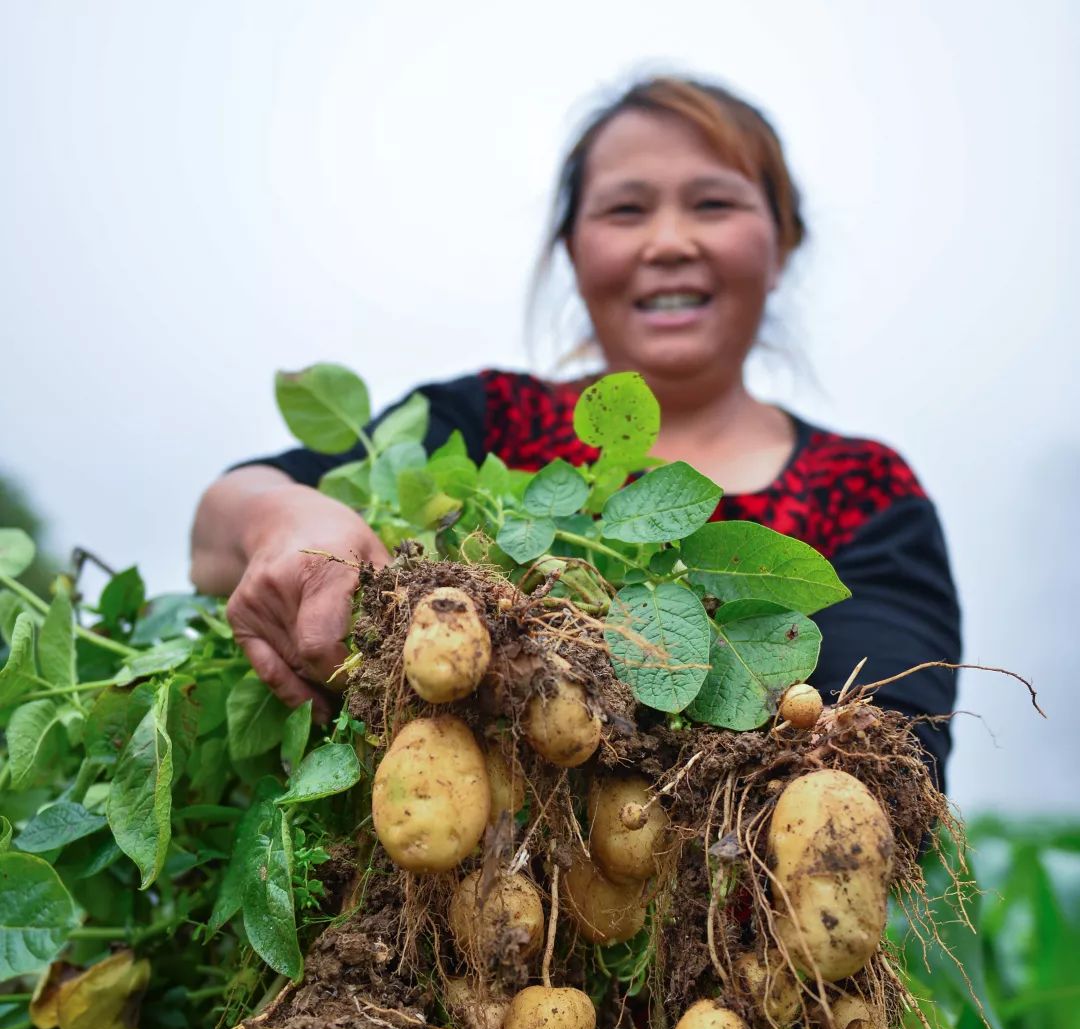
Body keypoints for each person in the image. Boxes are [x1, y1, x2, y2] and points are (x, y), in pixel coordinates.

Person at [190, 76, 961, 781]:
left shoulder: (863, 488)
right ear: (574, 250)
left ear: (783, 240)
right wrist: (286, 518)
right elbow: (219, 524)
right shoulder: (490, 424)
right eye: (626, 210)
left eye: (713, 204)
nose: (667, 242)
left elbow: (897, 756)